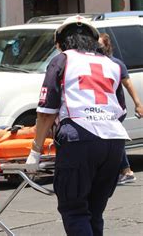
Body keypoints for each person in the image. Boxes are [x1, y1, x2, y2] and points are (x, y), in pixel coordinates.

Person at [26, 16, 129, 236]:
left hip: (79, 139)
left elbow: (46, 112)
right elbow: (121, 108)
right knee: (94, 211)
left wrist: (35, 152)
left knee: (74, 211)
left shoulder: (62, 60)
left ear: (60, 43)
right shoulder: (112, 64)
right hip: (114, 142)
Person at [99, 33, 142, 185]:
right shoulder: (92, 64)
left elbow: (128, 84)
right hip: (100, 109)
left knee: (114, 137)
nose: (98, 48)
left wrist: (138, 104)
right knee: (107, 138)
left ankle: (126, 171)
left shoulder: (115, 64)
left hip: (116, 109)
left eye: (101, 45)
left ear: (107, 46)